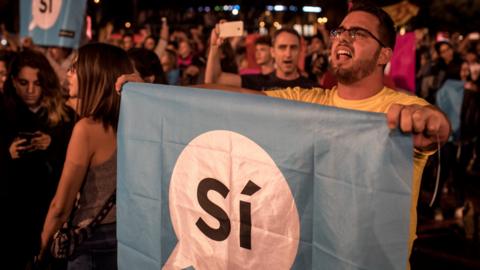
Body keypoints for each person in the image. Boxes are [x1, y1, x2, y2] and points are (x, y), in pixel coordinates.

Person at [116, 3, 450, 267]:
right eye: (340, 31)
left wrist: (428, 121)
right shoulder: (308, 102)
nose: (343, 38)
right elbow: (234, 97)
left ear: (384, 55)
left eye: (359, 33)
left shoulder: (402, 107)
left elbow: (435, 123)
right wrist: (156, 92)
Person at [38, 43, 134, 270]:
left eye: (75, 68)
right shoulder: (134, 120)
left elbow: (60, 206)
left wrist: (41, 249)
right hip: (126, 236)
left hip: (90, 243)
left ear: (95, 75)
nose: (68, 73)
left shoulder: (87, 129)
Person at [1, 49, 76, 269]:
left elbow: (74, 165)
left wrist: (52, 144)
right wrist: (7, 154)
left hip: (48, 210)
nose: (31, 90)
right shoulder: (3, 112)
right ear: (13, 81)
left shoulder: (63, 115)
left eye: (37, 83)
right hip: (11, 214)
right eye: (24, 83)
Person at [205, 26, 318, 90]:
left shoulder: (313, 89)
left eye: (293, 48)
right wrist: (214, 46)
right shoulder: (256, 82)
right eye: (282, 47)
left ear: (300, 51)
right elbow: (213, 81)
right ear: (273, 52)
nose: (288, 54)